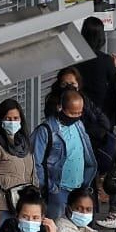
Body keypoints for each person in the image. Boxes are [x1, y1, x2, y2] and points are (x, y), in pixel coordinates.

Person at [32, 89, 98, 220]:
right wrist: (51, 188)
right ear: (60, 107)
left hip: (80, 188)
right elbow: (35, 163)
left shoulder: (79, 124)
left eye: (80, 112)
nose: (76, 116)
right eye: (72, 113)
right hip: (58, 191)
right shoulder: (45, 130)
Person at [0, 99, 37, 229]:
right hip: (3, 209)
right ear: (0, 120)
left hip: (24, 207)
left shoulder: (24, 142)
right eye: (8, 119)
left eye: (16, 118)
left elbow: (33, 174)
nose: (12, 122)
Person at [78, 16, 116, 111]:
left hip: (79, 107)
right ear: (101, 36)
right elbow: (115, 84)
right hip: (101, 110)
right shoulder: (106, 60)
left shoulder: (76, 59)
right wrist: (115, 66)